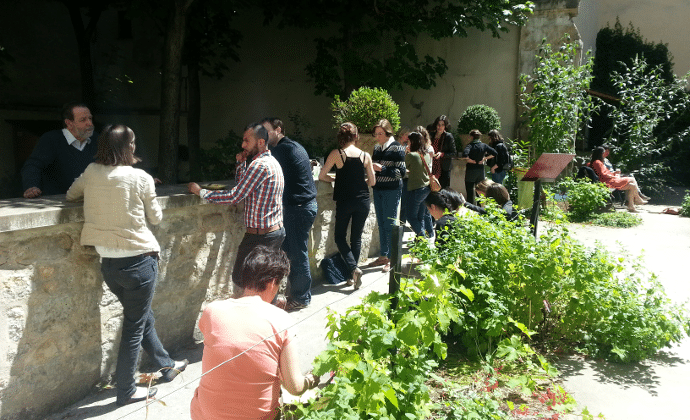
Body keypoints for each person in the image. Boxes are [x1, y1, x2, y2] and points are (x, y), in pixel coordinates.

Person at [66, 125, 187, 406]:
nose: (134, 147)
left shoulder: (92, 172)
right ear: (128, 147)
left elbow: (72, 194)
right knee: (134, 326)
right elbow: (155, 218)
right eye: (132, 143)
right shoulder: (140, 177)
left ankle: (166, 366)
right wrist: (147, 192)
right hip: (139, 263)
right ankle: (126, 391)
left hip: (110, 266)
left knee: (142, 317)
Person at [190, 246, 320, 420]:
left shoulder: (212, 311)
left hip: (205, 415)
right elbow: (294, 386)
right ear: (273, 282)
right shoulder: (281, 320)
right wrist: (311, 379)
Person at [188, 123, 285, 285]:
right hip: (270, 233)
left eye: (247, 141)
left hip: (262, 237)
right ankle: (270, 306)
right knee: (261, 282)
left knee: (246, 279)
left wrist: (200, 192)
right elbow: (244, 188)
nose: (242, 145)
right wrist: (241, 164)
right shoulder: (270, 161)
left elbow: (235, 196)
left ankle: (266, 307)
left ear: (261, 142)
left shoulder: (260, 165)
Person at [261, 118, 317, 312]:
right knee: (295, 252)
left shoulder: (281, 150)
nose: (263, 136)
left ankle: (301, 297)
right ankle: (298, 295)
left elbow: (263, 168)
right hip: (303, 206)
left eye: (266, 132)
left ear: (278, 130)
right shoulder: (292, 146)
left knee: (296, 253)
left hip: (298, 208)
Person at [319, 122, 376, 289]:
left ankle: (353, 269)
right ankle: (353, 275)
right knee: (356, 238)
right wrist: (361, 181)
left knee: (339, 237)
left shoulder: (337, 154)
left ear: (341, 137)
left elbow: (322, 175)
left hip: (345, 201)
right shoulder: (366, 155)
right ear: (356, 137)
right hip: (363, 201)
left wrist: (335, 179)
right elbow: (372, 181)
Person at [22, 102, 98, 198]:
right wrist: (31, 187)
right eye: (83, 120)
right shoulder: (51, 139)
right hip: (58, 202)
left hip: (90, 200)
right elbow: (33, 165)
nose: (90, 123)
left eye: (90, 118)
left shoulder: (97, 139)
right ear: (69, 123)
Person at [369, 119, 406, 273]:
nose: (377, 136)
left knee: (390, 224)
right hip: (378, 189)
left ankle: (392, 258)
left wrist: (382, 168)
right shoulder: (377, 147)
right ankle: (384, 255)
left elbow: (401, 172)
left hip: (392, 189)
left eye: (380, 133)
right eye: (376, 133)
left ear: (387, 132)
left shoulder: (397, 147)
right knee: (381, 223)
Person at [589, 146, 646, 213]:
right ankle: (638, 199)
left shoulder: (596, 162)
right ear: (600, 154)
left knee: (632, 185)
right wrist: (612, 176)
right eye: (603, 153)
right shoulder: (597, 162)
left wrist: (613, 174)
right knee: (631, 179)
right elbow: (603, 174)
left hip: (607, 180)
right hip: (607, 182)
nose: (604, 154)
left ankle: (631, 206)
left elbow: (604, 173)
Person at [404, 132, 434, 237]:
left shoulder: (411, 155)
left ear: (412, 142)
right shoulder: (425, 154)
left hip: (416, 189)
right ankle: (420, 243)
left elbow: (402, 167)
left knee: (411, 217)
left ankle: (422, 237)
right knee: (420, 217)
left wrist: (406, 152)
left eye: (408, 141)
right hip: (426, 189)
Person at [462, 129, 497, 206]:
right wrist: (484, 159)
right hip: (480, 171)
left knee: (470, 193)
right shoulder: (484, 145)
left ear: (471, 137)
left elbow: (465, 155)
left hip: (470, 172)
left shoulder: (470, 146)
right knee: (480, 193)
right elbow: (494, 153)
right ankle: (480, 210)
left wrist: (472, 161)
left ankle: (470, 209)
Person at [428, 115, 456, 188]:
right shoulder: (431, 135)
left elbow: (453, 153)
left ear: (445, 126)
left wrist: (442, 154)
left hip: (443, 168)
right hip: (431, 166)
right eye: (438, 125)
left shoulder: (448, 136)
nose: (440, 127)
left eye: (442, 125)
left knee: (443, 190)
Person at [397, 127, 412, 227]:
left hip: (406, 177)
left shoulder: (408, 146)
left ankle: (402, 224)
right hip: (398, 177)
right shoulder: (396, 145)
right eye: (407, 135)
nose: (408, 138)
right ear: (402, 134)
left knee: (405, 203)